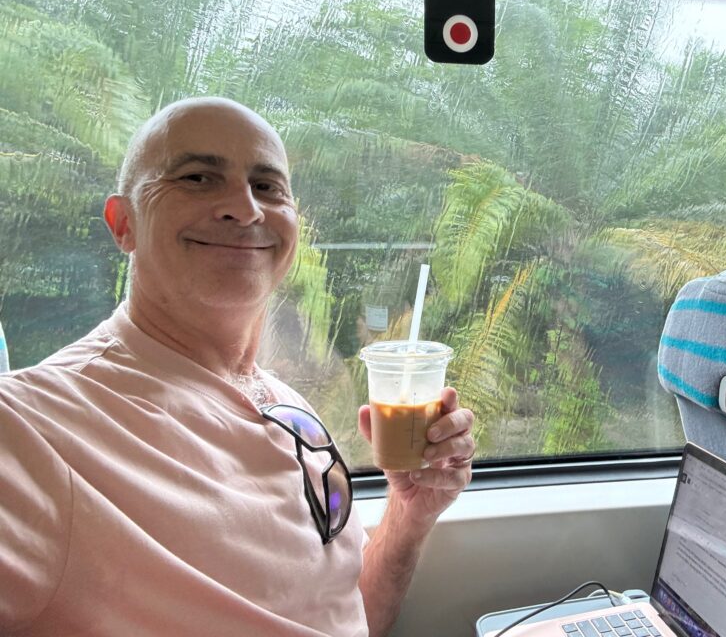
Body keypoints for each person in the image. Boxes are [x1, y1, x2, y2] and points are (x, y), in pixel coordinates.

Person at [0, 97, 476, 636]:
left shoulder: (287, 404)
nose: (245, 208)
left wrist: (411, 515)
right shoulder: (33, 427)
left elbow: (343, 616)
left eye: (268, 186)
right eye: (198, 178)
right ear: (122, 223)